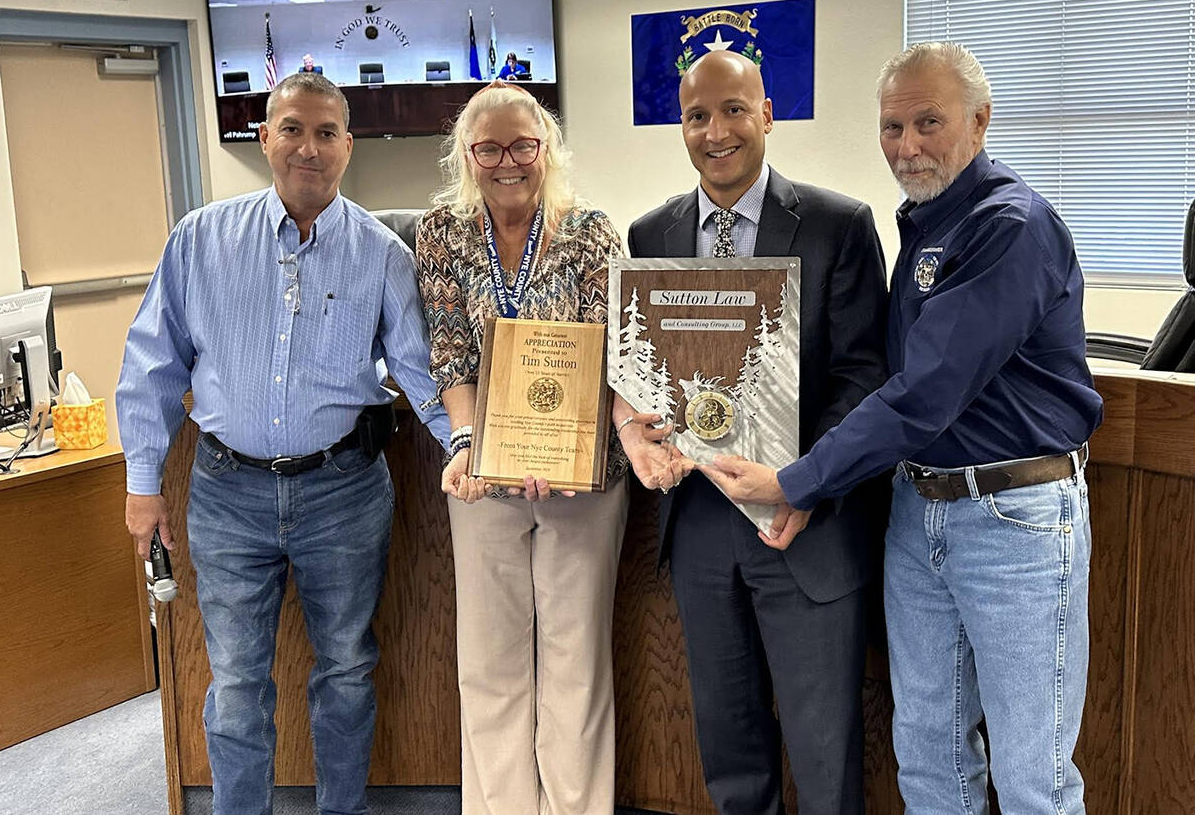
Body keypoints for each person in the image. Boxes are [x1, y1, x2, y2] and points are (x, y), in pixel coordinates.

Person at [701, 42, 1104, 813]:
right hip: (919, 513)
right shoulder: (926, 222)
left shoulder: (1009, 224)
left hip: (1011, 521)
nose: (907, 145)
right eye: (892, 127)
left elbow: (925, 391)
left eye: (929, 123)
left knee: (1032, 777)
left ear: (979, 122)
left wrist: (797, 478)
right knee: (927, 753)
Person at [116, 71, 450, 815]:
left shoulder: (381, 253)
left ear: (348, 146)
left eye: (327, 132)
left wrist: (467, 450)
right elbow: (152, 364)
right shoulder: (200, 240)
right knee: (235, 681)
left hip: (344, 493)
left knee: (347, 669)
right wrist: (143, 482)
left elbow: (422, 376)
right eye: (292, 129)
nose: (309, 147)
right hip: (227, 494)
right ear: (264, 138)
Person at [622, 49, 889, 815]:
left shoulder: (840, 225)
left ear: (766, 115)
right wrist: (642, 430)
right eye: (698, 115)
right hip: (701, 525)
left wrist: (807, 482)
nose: (716, 131)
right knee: (729, 744)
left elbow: (863, 375)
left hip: (805, 523)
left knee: (824, 747)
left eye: (734, 110)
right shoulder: (652, 233)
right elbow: (646, 372)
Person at [416, 80, 664, 815]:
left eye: (522, 144)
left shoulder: (590, 230)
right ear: (466, 154)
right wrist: (468, 442)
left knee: (574, 662)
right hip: (483, 474)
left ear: (547, 148)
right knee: (489, 665)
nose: (506, 161)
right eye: (487, 147)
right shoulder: (443, 233)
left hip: (584, 477)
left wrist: (571, 452)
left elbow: (616, 352)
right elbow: (451, 351)